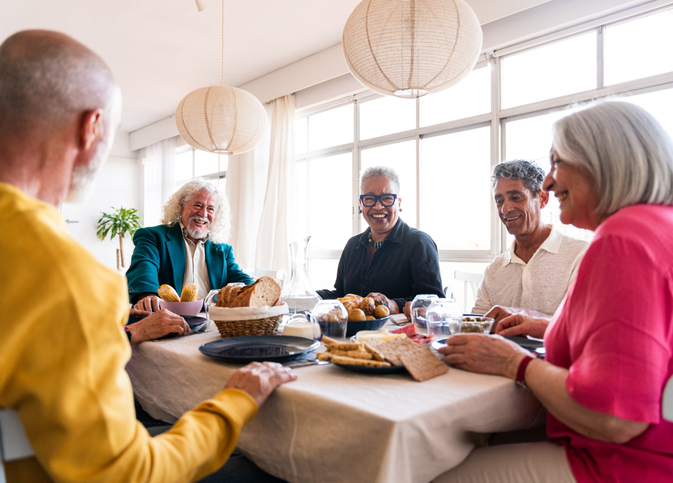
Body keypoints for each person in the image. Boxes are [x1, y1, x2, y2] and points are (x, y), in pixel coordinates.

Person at [0, 29, 296, 482]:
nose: (202, 213)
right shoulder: (64, 278)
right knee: (277, 462)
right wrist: (236, 399)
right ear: (91, 126)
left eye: (209, 208)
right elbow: (130, 474)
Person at [436, 101, 673, 483]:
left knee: (435, 472)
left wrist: (514, 362)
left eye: (557, 163)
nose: (550, 182)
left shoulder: (623, 241)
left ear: (602, 162)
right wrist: (545, 327)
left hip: (637, 465)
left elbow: (613, 419)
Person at [471, 160, 589, 338]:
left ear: (542, 199)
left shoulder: (579, 256)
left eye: (516, 197)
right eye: (499, 200)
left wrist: (525, 318)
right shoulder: (494, 270)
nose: (505, 208)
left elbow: (583, 326)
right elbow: (477, 327)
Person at [317, 166, 445, 314]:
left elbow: (435, 302)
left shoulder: (419, 243)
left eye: (387, 198)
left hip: (400, 335)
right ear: (361, 204)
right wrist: (304, 296)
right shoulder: (353, 245)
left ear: (399, 203)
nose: (378, 206)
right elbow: (341, 295)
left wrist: (394, 304)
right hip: (351, 335)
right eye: (370, 199)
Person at [126, 179, 254, 312]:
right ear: (182, 205)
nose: (203, 214)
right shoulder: (153, 236)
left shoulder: (223, 249)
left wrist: (258, 289)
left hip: (212, 318)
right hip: (168, 316)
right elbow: (144, 266)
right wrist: (148, 294)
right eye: (198, 205)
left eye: (210, 209)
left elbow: (237, 276)